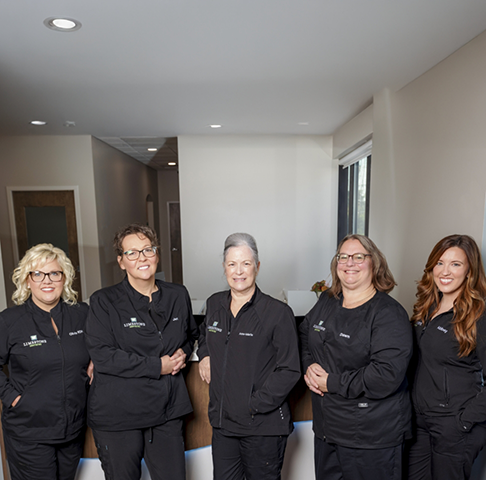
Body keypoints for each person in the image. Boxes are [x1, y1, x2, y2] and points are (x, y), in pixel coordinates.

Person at [85, 223, 198, 480]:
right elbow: (103, 356)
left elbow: (192, 334)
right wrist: (158, 366)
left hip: (167, 413)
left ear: (157, 254)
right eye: (132, 253)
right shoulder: (103, 301)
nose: (142, 258)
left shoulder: (177, 295)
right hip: (118, 415)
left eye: (147, 250)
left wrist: (183, 351)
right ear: (121, 261)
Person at [300, 234, 413, 480]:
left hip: (371, 438)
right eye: (343, 257)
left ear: (375, 263)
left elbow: (385, 375)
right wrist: (309, 366)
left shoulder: (388, 313)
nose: (349, 262)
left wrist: (330, 382)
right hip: (328, 431)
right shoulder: (327, 301)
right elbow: (304, 334)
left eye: (359, 256)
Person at [198, 232, 300, 480]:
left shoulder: (277, 313)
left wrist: (252, 405)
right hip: (223, 426)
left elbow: (290, 370)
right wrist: (204, 355)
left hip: (262, 428)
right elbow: (202, 335)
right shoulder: (214, 304)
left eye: (246, 263)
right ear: (224, 268)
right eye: (232, 264)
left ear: (257, 266)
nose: (239, 271)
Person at [0, 243, 90, 480]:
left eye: (54, 273)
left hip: (72, 429)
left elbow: (102, 347)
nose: (46, 280)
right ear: (27, 280)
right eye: (37, 274)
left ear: (64, 278)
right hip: (29, 430)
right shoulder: (10, 321)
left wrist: (96, 363)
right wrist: (14, 399)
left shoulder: (81, 314)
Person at [407, 234, 486, 480]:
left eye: (456, 264)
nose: (445, 271)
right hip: (419, 423)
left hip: (455, 425)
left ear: (469, 271)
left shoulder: (479, 315)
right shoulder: (426, 308)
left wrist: (463, 421)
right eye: (440, 263)